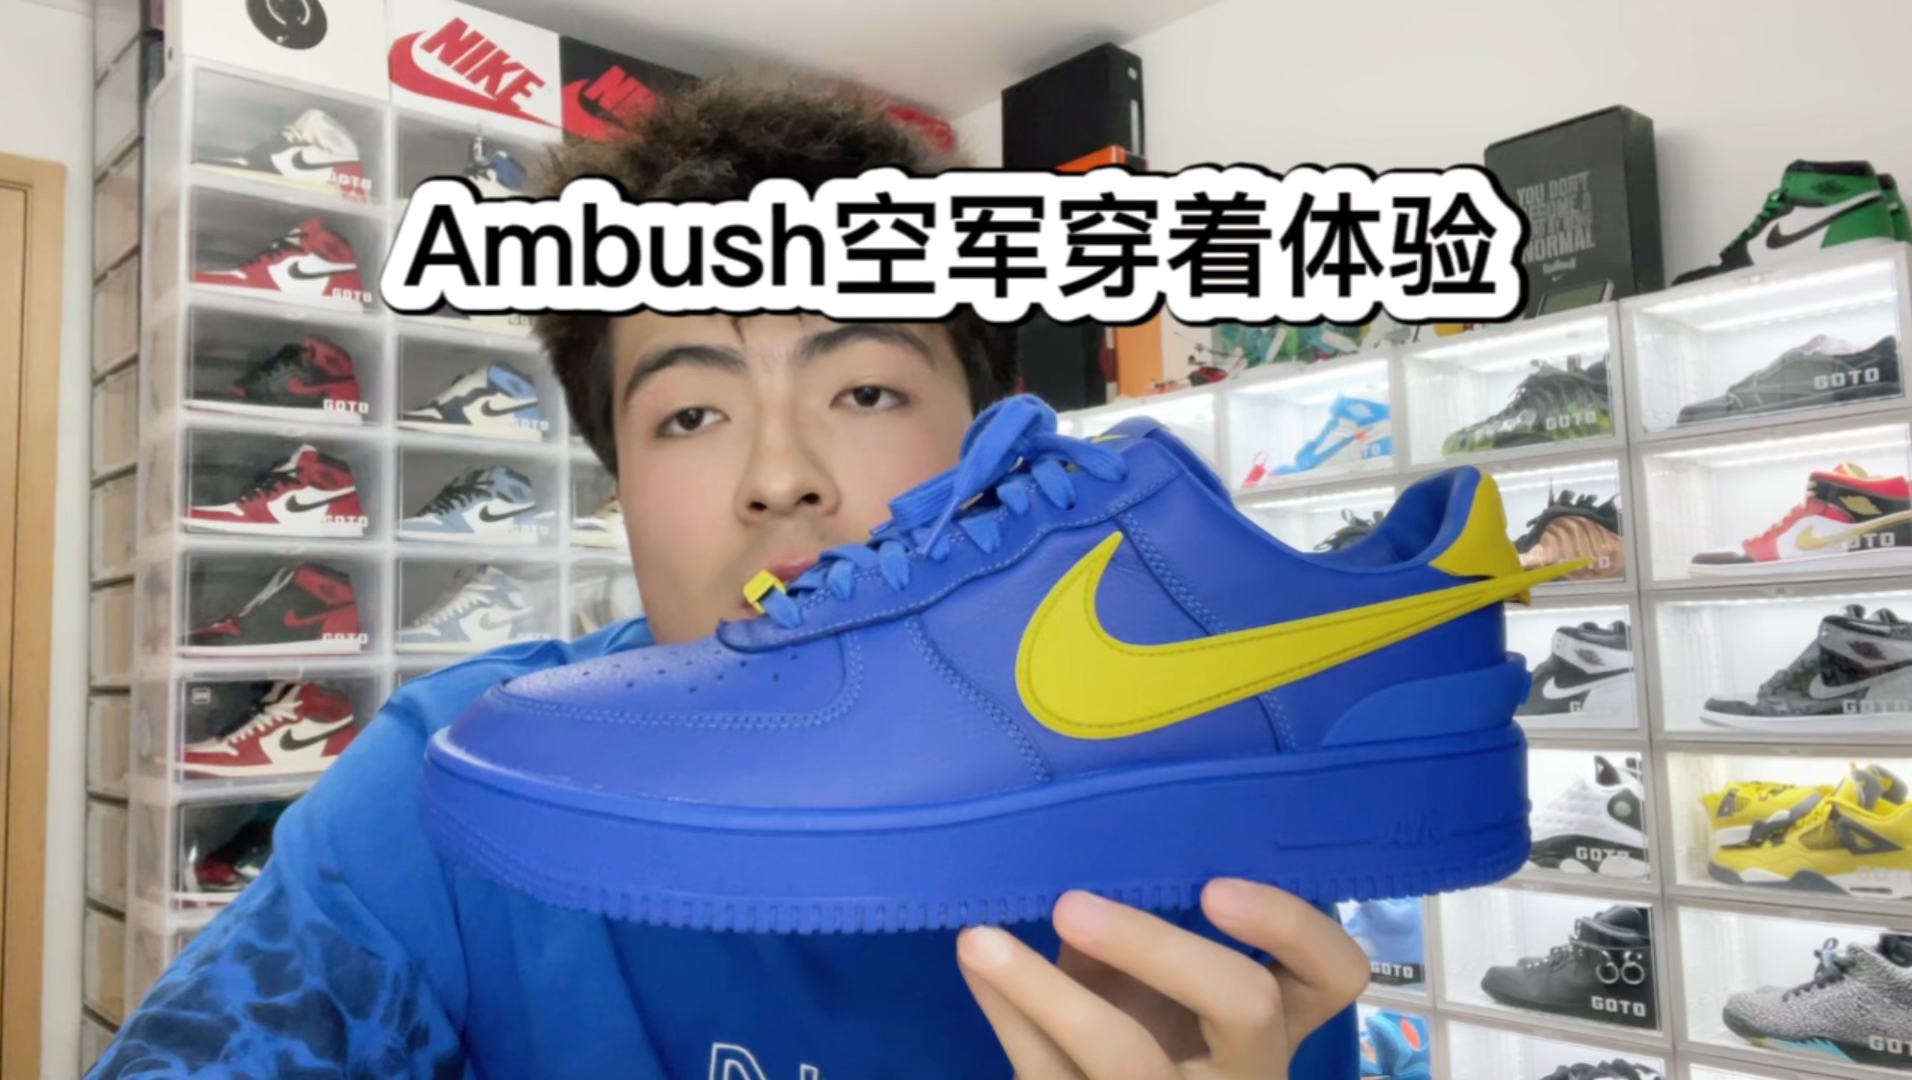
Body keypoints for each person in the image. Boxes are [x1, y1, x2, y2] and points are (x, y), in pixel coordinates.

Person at [89, 76, 1369, 1079]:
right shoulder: (457, 780)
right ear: (619, 487)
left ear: (995, 445)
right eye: (690, 415)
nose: (781, 477)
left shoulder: (1198, 838)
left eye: (864, 391)